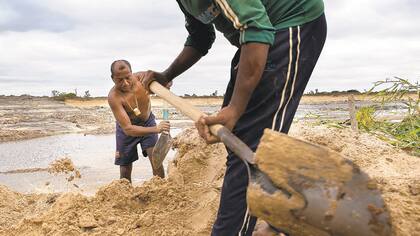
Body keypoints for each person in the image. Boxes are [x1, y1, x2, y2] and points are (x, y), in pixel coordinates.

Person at [141, 0, 327, 235]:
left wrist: (236, 108)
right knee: (239, 142)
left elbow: (257, 29)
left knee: (249, 145)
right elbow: (200, 37)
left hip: (290, 25)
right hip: (255, 36)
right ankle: (284, 216)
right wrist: (168, 74)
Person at [108, 60, 170, 181]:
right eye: (119, 80)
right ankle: (125, 195)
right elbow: (128, 129)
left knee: (156, 159)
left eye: (127, 77)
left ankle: (161, 190)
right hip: (127, 129)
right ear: (112, 78)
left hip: (147, 121)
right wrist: (156, 129)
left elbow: (164, 81)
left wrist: (166, 82)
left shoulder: (142, 79)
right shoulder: (114, 97)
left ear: (131, 73)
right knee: (125, 168)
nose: (125, 83)